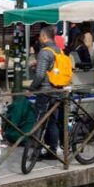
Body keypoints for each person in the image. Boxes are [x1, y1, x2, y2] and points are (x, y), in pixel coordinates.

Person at [28, 26, 62, 160]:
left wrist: (31, 88)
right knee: (53, 122)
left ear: (43, 37)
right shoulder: (58, 50)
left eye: (40, 37)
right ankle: (53, 150)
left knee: (39, 121)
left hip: (45, 91)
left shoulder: (44, 52)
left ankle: (36, 153)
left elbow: (40, 75)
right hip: (57, 90)